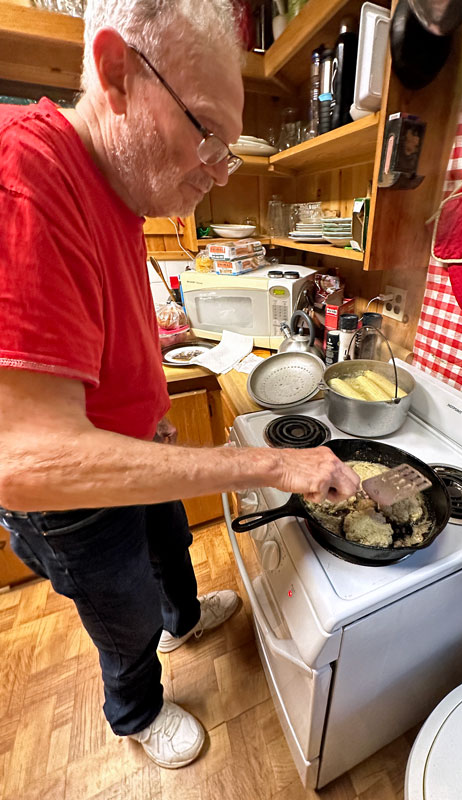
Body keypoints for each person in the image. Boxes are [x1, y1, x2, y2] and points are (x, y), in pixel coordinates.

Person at [0, 0, 360, 770]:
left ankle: (184, 619)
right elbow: (24, 463)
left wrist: (150, 382)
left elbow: (100, 325)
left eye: (228, 150)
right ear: (115, 72)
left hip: (139, 447)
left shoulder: (123, 188)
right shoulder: (26, 181)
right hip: (75, 508)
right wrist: (270, 463)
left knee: (168, 553)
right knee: (121, 609)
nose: (217, 169)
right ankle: (135, 708)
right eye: (207, 134)